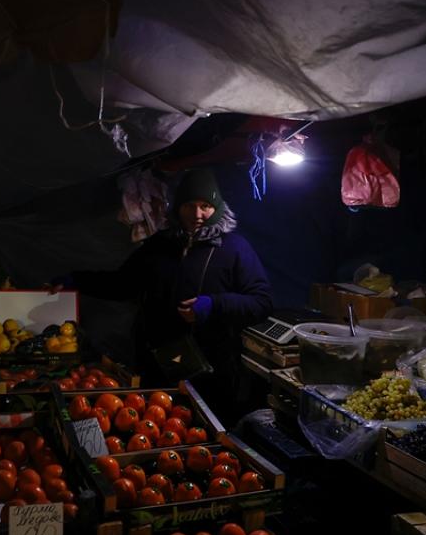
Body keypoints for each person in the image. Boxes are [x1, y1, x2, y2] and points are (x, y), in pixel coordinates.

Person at [57, 169, 273, 418]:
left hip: (211, 368)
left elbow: (261, 302)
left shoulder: (235, 248)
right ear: (178, 207)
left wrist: (213, 305)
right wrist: (76, 281)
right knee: (152, 424)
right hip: (156, 364)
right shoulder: (159, 245)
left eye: (205, 206)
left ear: (217, 208)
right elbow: (122, 284)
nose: (197, 214)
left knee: (206, 428)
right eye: (189, 205)